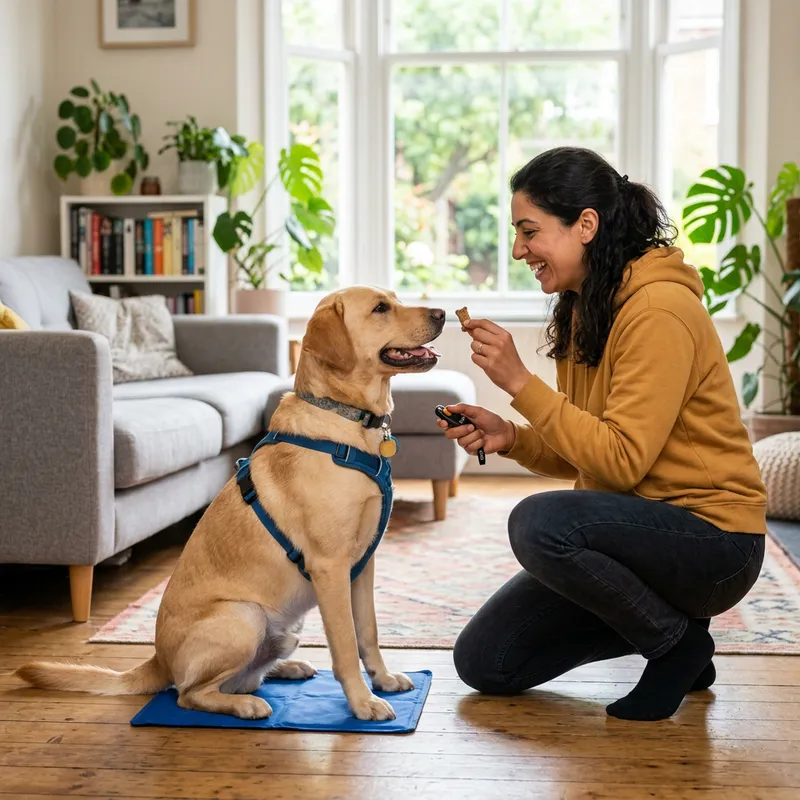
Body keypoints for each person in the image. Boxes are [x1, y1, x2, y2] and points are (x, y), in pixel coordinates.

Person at [438, 146, 767, 721]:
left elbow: (618, 463)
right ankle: (676, 639)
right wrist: (510, 437)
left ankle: (675, 645)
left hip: (714, 544)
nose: (518, 250)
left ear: (585, 225)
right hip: (636, 537)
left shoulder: (659, 311)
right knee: (486, 662)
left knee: (537, 523)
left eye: (529, 232)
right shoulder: (584, 306)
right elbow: (588, 445)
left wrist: (518, 381)